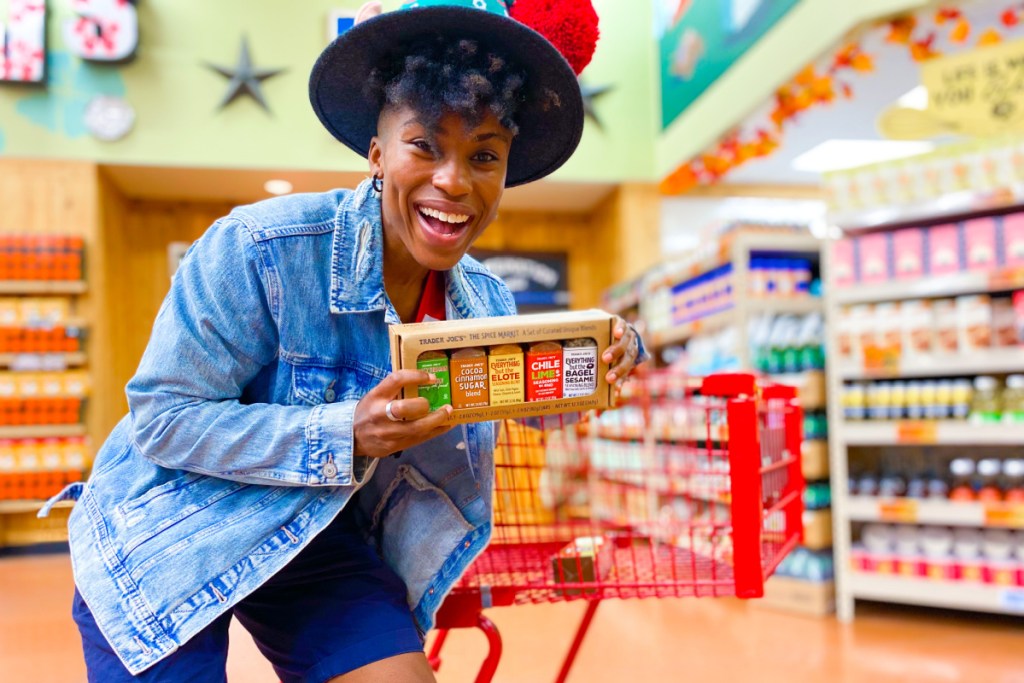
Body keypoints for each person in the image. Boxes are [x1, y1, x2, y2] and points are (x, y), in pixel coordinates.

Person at [50, 1, 646, 681]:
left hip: (317, 531)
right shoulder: (260, 248)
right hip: (172, 523)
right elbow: (164, 418)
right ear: (377, 153)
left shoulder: (484, 302)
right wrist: (347, 431)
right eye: (425, 145)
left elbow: (533, 406)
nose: (454, 180)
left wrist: (598, 360)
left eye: (484, 155)